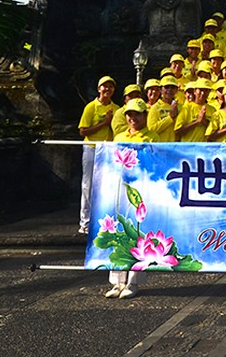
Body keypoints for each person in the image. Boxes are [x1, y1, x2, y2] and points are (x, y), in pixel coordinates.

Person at [106, 97, 153, 299]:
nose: (133, 118)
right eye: (130, 114)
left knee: (138, 234)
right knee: (118, 232)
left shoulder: (153, 137)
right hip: (120, 188)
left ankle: (133, 282)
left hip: (142, 189)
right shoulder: (119, 137)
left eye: (137, 114)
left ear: (145, 116)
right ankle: (117, 282)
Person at [77, 76, 118, 234]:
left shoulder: (116, 108)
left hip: (108, 150)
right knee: (88, 185)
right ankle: (85, 221)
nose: (107, 89)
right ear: (99, 89)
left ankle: (106, 222)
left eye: (110, 87)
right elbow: (83, 131)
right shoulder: (91, 107)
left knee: (107, 186)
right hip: (92, 148)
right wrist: (104, 123)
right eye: (104, 86)